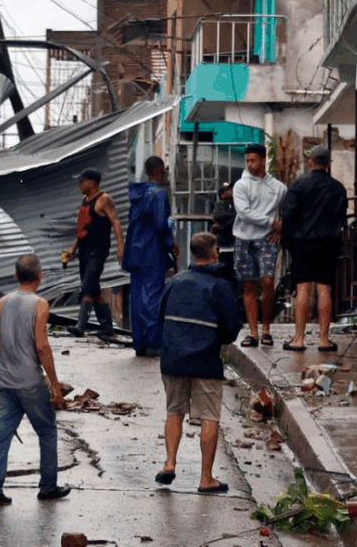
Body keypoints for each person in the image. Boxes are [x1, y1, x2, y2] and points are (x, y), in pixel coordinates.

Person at [156, 232, 241, 493]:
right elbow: (231, 327)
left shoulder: (175, 281)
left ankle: (169, 463)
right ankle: (206, 478)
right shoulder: (221, 285)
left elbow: (160, 316)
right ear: (214, 253)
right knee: (209, 416)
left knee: (174, 411)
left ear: (192, 253)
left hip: (172, 359)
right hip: (205, 361)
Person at [0, 254, 70, 506]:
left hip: (3, 384)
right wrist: (54, 384)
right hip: (31, 384)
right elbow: (42, 346)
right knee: (47, 432)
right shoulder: (40, 305)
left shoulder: (2, 303)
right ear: (39, 276)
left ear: (15, 275)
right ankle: (48, 487)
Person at [280, 146, 348, 352]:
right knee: (324, 289)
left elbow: (288, 214)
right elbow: (341, 217)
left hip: (302, 242)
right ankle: (324, 340)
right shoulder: (338, 188)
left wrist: (287, 241)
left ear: (310, 161)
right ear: (328, 163)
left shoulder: (299, 184)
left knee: (302, 288)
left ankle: (298, 339)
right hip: (328, 243)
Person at [122, 156, 178, 356]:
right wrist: (171, 242)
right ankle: (154, 342)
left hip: (135, 252)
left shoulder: (136, 194)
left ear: (146, 171)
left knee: (137, 296)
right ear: (161, 171)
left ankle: (140, 342)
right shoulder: (159, 194)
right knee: (152, 295)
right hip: (152, 251)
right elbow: (161, 224)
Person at [233, 143, 287, 348]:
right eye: (247, 160)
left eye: (253, 160)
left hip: (267, 239)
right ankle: (253, 332)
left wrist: (280, 229)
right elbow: (244, 212)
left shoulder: (279, 188)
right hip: (243, 238)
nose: (250, 164)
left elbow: (287, 211)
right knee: (248, 285)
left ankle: (266, 329)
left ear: (264, 161)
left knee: (267, 282)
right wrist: (272, 222)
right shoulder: (241, 185)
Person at [65, 168, 124, 337]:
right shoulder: (85, 201)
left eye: (81, 181)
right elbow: (82, 228)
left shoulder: (104, 199)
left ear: (91, 183)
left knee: (87, 287)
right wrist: (73, 249)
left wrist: (121, 247)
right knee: (94, 289)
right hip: (84, 250)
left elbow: (116, 222)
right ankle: (107, 327)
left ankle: (80, 326)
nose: (79, 185)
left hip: (98, 250)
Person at [211, 182, 237, 284]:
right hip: (224, 246)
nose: (230, 191)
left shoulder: (238, 204)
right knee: (225, 274)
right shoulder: (220, 205)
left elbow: (240, 216)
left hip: (236, 244)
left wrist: (221, 227)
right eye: (226, 190)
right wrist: (234, 218)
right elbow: (218, 216)